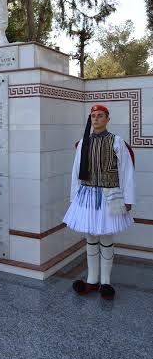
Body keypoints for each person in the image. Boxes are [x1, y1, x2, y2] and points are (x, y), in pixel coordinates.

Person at [63, 105, 135, 300]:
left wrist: (128, 199)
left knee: (106, 239)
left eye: (100, 116)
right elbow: (75, 172)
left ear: (107, 118)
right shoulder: (82, 143)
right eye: (93, 116)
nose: (95, 119)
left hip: (109, 196)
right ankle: (92, 280)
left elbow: (127, 172)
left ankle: (106, 282)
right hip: (86, 196)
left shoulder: (117, 142)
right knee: (91, 239)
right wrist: (73, 198)